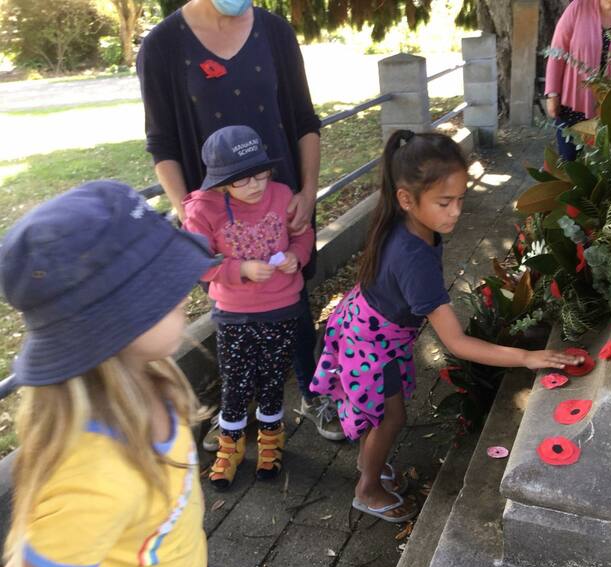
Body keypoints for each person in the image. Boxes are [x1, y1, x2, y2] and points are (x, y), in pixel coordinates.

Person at [310, 131, 585, 522]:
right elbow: (456, 342)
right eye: (444, 202)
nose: (455, 211)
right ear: (407, 198)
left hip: (367, 326)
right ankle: (367, 487)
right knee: (391, 418)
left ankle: (368, 464)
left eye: (460, 199)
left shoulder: (404, 222)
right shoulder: (414, 258)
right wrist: (527, 357)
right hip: (372, 342)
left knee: (385, 416)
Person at [0, 181, 241, 567]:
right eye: (161, 286)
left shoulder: (150, 375)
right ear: (109, 323)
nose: (185, 289)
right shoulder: (94, 474)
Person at [137, 0, 344, 443]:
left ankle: (313, 392)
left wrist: (308, 192)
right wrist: (191, 215)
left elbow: (305, 119)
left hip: (279, 198)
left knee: (291, 292)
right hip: (215, 212)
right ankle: (236, 411)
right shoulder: (162, 46)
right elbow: (162, 143)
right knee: (231, 309)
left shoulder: (274, 32)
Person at [182, 125, 314, 488]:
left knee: (273, 378)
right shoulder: (203, 210)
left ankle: (271, 438)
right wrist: (239, 269)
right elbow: (197, 262)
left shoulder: (282, 192)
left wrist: (295, 255)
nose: (256, 185)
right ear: (221, 183)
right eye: (243, 180)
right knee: (236, 382)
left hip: (282, 307)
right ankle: (230, 445)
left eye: (261, 173)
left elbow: (303, 233)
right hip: (234, 314)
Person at [544, 0, 611, 160]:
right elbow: (557, 50)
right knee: (569, 163)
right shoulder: (578, 8)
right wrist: (552, 93)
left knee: (603, 172)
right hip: (572, 107)